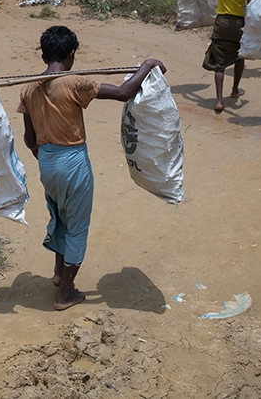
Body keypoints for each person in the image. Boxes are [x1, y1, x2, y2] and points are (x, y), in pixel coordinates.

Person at [17, 26, 164, 311]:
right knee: (77, 226)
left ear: (44, 54)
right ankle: (65, 294)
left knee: (59, 215)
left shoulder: (28, 88)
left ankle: (60, 274)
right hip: (72, 162)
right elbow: (124, 93)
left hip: (46, 162)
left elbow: (28, 139)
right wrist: (147, 65)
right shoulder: (75, 83)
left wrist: (47, 157)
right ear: (71, 54)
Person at [199, 0, 256, 112]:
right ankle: (235, 89)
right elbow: (252, 5)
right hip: (238, 24)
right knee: (239, 56)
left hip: (222, 23)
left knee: (220, 63)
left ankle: (219, 101)